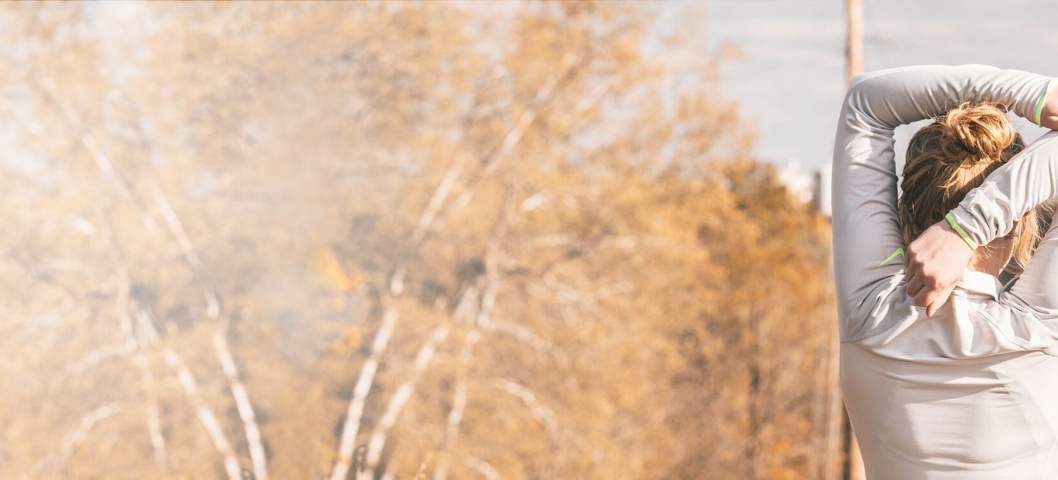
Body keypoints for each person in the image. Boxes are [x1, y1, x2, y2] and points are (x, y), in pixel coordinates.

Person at [833, 64, 1058, 479]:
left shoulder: (868, 310)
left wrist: (1037, 94)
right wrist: (968, 227)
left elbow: (866, 102)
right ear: (1017, 226)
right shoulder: (1039, 328)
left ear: (906, 212)